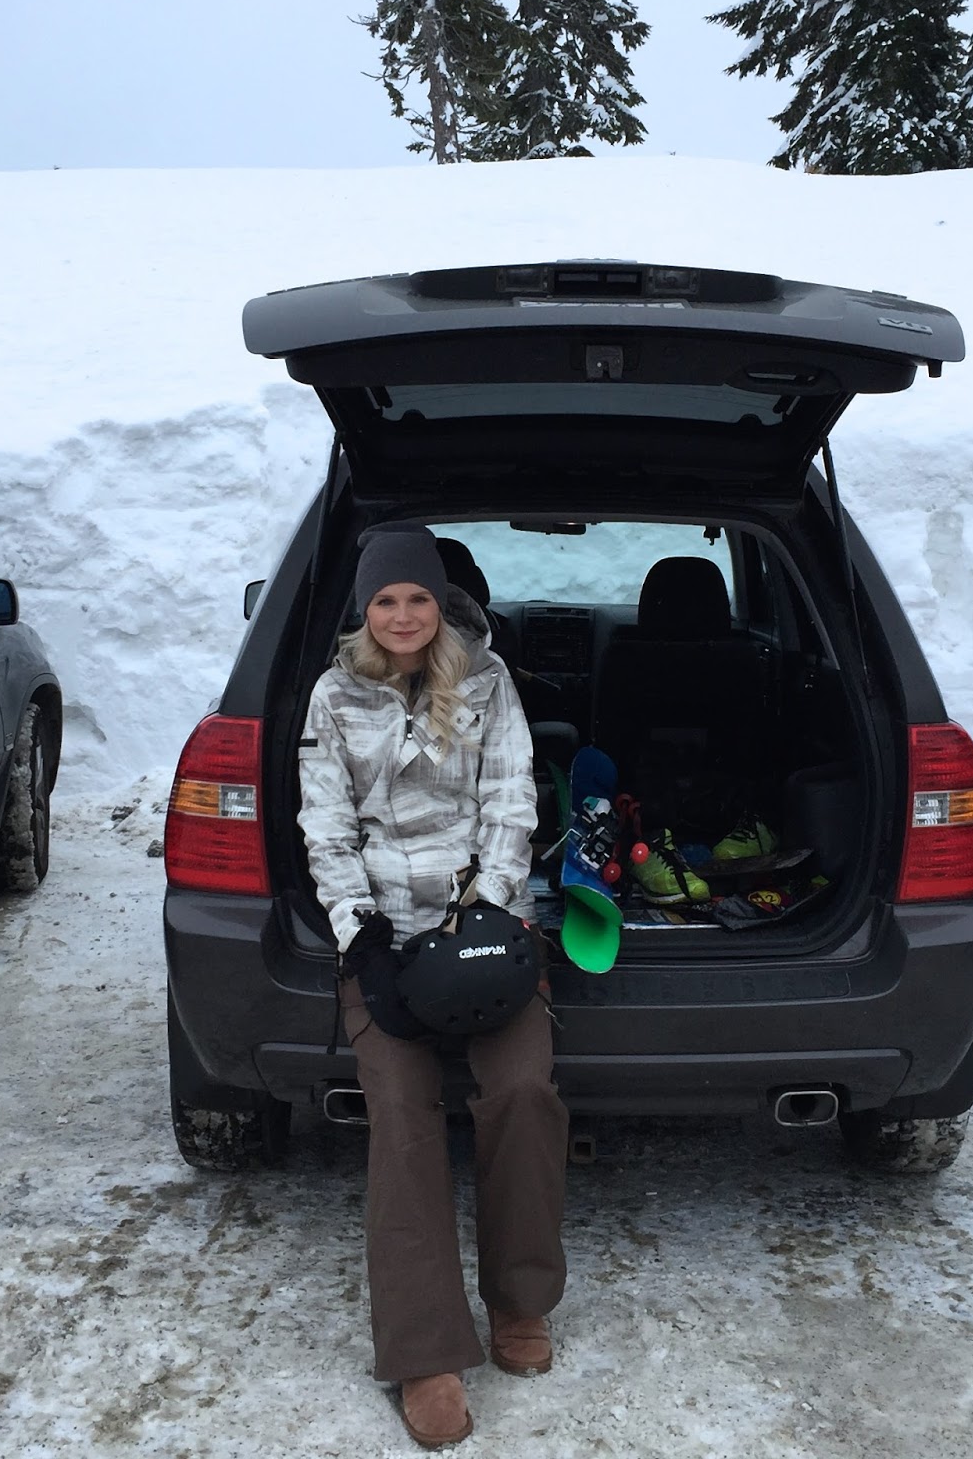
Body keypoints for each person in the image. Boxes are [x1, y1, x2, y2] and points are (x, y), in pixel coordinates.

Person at [297, 524, 569, 1450]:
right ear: (365, 611)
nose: (404, 616)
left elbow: (511, 802)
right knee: (403, 1117)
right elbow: (325, 827)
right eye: (386, 601)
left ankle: (521, 1302)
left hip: (482, 925)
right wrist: (365, 940)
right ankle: (425, 1352)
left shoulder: (487, 682)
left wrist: (486, 913)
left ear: (442, 605)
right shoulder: (333, 696)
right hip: (383, 931)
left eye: (419, 598)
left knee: (523, 1092)